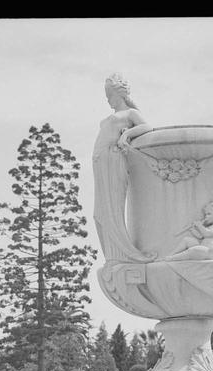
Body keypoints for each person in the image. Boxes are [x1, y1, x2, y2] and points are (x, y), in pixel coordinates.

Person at [93, 72, 156, 263]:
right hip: (101, 163)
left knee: (112, 209)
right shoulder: (110, 117)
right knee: (99, 213)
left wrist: (125, 136)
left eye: (109, 94)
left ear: (119, 94)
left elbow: (147, 127)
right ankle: (113, 255)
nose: (107, 98)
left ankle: (125, 253)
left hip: (114, 160)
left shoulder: (130, 113)